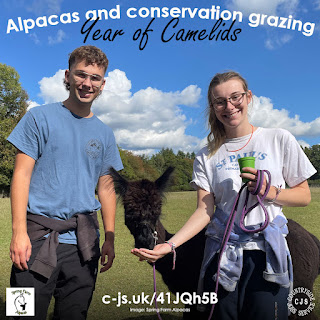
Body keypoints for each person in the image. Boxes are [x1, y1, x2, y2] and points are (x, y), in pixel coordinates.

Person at [132, 71, 317, 320]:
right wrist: (169, 245)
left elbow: (304, 196)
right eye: (220, 101)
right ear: (213, 106)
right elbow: (204, 210)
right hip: (222, 255)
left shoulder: (278, 139)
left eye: (235, 97)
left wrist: (270, 192)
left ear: (248, 97)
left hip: (266, 255)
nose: (229, 106)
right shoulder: (206, 155)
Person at [8, 45, 123, 319]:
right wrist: (18, 232)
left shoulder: (105, 134)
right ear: (67, 75)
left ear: (103, 83)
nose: (87, 83)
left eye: (95, 78)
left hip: (84, 244)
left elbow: (106, 188)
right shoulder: (39, 117)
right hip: (35, 240)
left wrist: (109, 237)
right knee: (19, 315)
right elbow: (21, 175)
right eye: (81, 75)